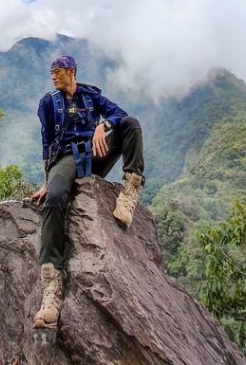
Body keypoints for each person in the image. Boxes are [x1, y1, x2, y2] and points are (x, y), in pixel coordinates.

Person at [28, 54, 145, 330]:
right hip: (67, 159)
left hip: (96, 155)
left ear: (71, 72)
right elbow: (47, 145)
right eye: (51, 72)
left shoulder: (91, 97)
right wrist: (49, 180)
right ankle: (51, 290)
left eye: (57, 71)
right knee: (55, 198)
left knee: (131, 125)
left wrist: (103, 127)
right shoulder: (48, 103)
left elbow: (120, 114)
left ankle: (129, 192)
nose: (53, 75)